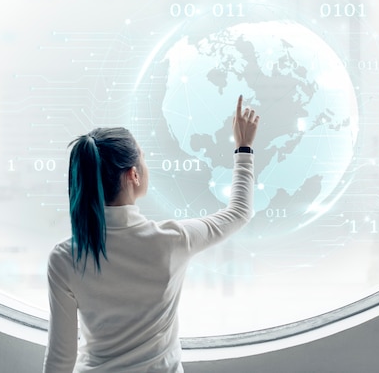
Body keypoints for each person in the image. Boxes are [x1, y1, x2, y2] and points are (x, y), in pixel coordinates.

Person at [43, 95, 259, 373]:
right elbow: (239, 211)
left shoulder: (64, 258)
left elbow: (60, 360)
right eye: (144, 159)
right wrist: (244, 147)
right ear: (133, 175)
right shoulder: (171, 240)